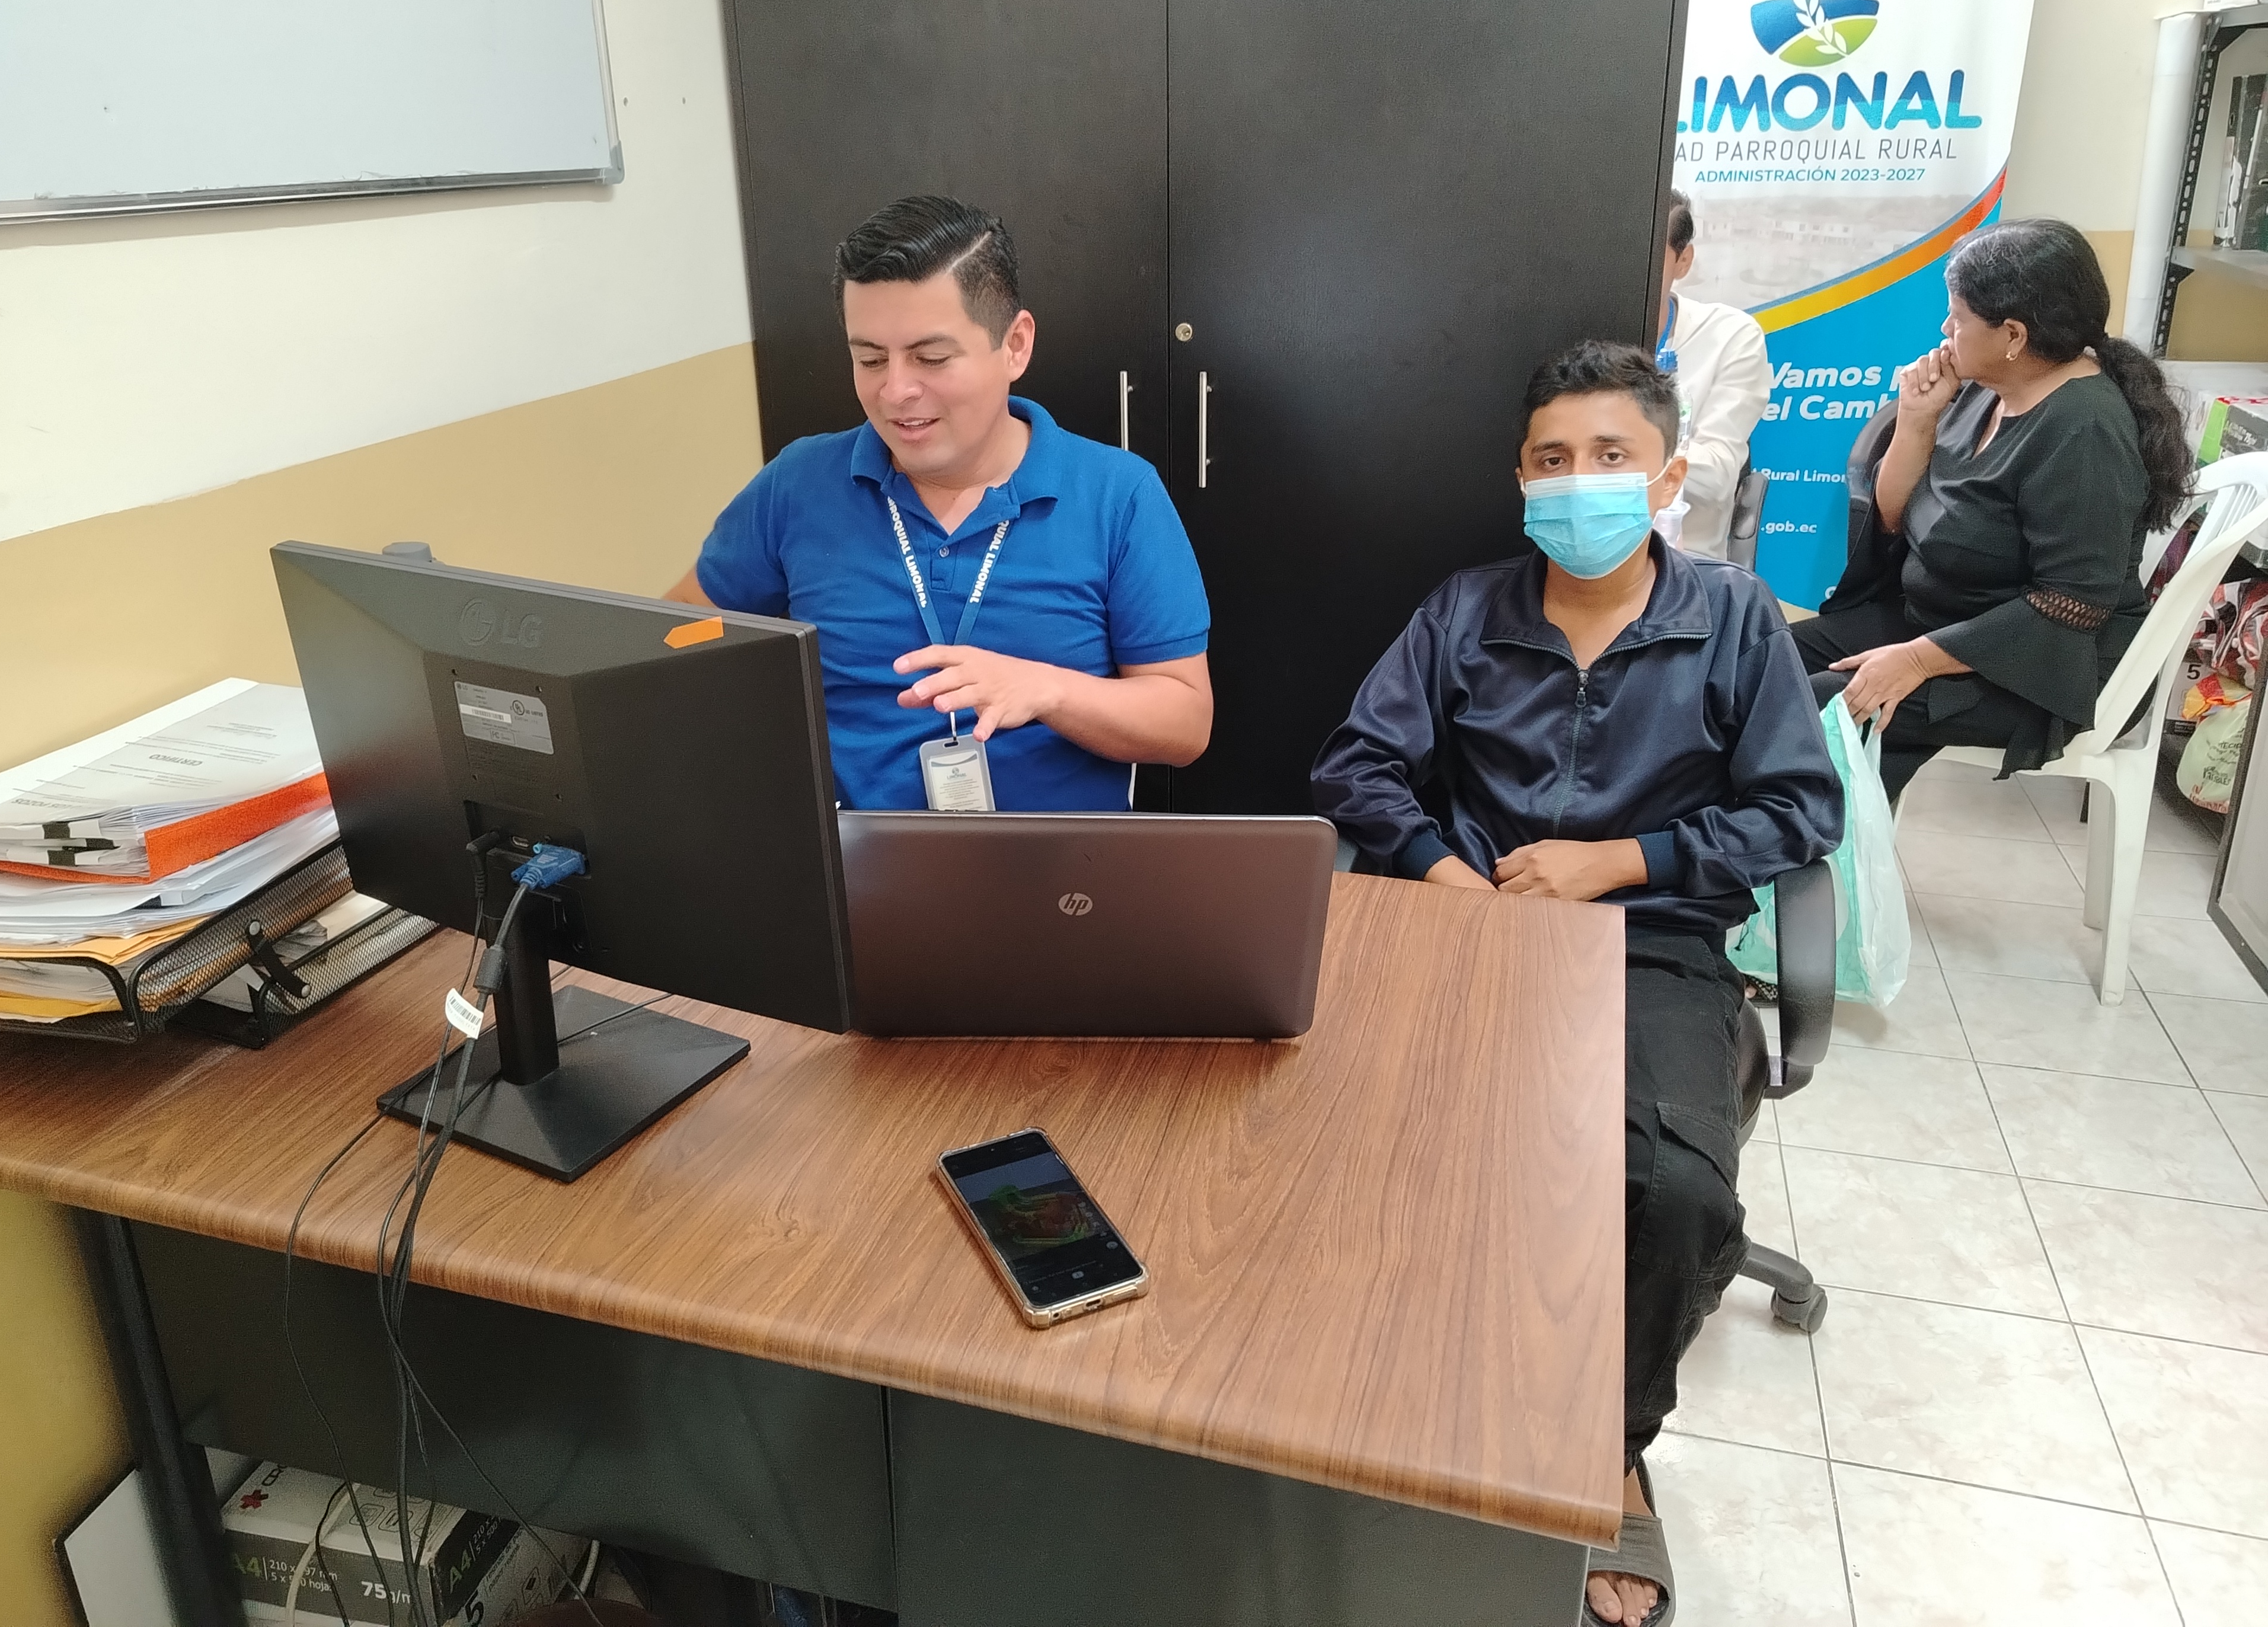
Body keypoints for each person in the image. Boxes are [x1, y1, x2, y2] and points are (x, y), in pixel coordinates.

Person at [1309, 340, 1843, 1627]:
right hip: (1468, 928)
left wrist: (1621, 860)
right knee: (1352, 1152)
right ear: (1519, 478)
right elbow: (1355, 767)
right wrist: (1443, 875)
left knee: (1674, 1192)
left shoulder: (1733, 620)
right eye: (1552, 459)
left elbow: (1799, 811)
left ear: (1665, 475)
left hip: (1647, 941)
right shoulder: (1464, 611)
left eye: (1610, 456)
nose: (1579, 480)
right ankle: (1379, 1413)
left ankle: (1608, 1449)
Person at [673, 194, 1213, 809]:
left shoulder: (1119, 495)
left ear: (1015, 345)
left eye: (930, 358)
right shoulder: (797, 484)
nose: (895, 391)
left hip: (1059, 862)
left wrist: (1048, 691)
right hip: (852, 854)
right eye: (869, 359)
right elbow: (681, 632)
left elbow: (1186, 724)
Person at [1783, 219, 2192, 802]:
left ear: (2013, 335)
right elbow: (1895, 520)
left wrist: (1917, 662)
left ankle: (1795, 851)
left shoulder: (2084, 430)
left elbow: (2072, 603)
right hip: (1942, 620)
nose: (1945, 329)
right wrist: (1916, 419)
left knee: (1808, 707)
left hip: (2042, 666)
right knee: (1758, 662)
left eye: (1958, 317)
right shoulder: (1985, 386)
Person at [1658, 188, 1773, 560]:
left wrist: (1618, 452)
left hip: (1683, 560)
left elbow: (1716, 478)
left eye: (1650, 255)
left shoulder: (1730, 336)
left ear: (1684, 261)